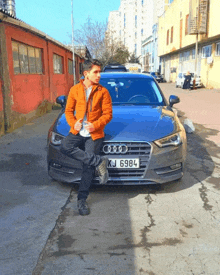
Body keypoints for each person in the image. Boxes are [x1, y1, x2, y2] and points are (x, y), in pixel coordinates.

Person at [61, 59, 113, 216]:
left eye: (99, 72)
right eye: (95, 72)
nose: (99, 75)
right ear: (86, 74)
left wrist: (95, 125)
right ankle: (99, 161)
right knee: (64, 146)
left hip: (94, 134)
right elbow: (68, 111)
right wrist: (73, 123)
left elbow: (108, 114)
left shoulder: (103, 91)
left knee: (87, 167)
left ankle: (81, 200)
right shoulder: (75, 90)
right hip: (78, 132)